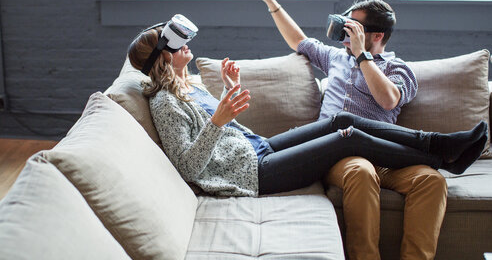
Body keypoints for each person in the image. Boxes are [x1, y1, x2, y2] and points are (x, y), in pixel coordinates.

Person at [247, 0, 488, 260]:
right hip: (343, 154)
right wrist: (270, 1)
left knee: (432, 180)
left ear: (375, 35)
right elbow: (299, 40)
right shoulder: (336, 57)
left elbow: (388, 100)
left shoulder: (400, 70)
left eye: (352, 28)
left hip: (390, 158)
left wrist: (363, 56)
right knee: (360, 171)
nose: (343, 33)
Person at [126, 23, 487, 202]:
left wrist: (229, 90)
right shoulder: (164, 103)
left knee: (340, 120)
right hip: (253, 173)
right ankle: (442, 156)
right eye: (178, 44)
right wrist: (218, 121)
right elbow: (187, 166)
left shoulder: (187, 84)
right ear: (163, 56)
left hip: (257, 148)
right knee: (348, 138)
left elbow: (222, 128)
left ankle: (439, 144)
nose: (187, 46)